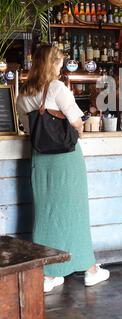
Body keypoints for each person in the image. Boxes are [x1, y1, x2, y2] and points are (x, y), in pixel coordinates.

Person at [17, 44, 110, 292]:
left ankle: (49, 273)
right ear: (52, 63)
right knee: (75, 212)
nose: (61, 66)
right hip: (66, 159)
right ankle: (89, 270)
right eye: (59, 62)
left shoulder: (24, 92)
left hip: (40, 158)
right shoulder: (57, 88)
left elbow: (26, 127)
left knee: (46, 213)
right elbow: (77, 123)